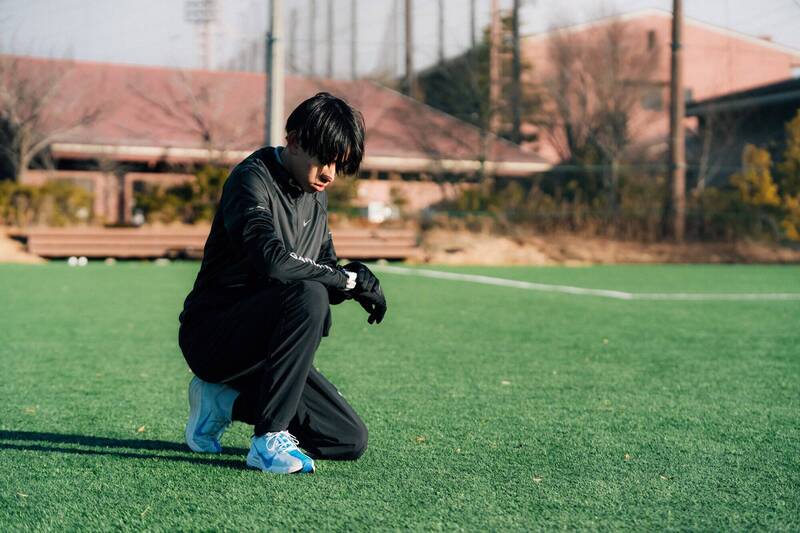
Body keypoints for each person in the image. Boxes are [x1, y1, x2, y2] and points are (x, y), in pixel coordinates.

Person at [177, 92, 387, 474]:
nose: (330, 174)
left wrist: (357, 279)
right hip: (214, 337)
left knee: (346, 438)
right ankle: (267, 440)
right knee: (309, 294)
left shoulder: (315, 194)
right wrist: (342, 280)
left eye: (338, 164)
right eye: (324, 160)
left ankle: (221, 402)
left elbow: (321, 267)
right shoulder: (250, 179)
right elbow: (273, 262)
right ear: (293, 141)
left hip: (271, 350)